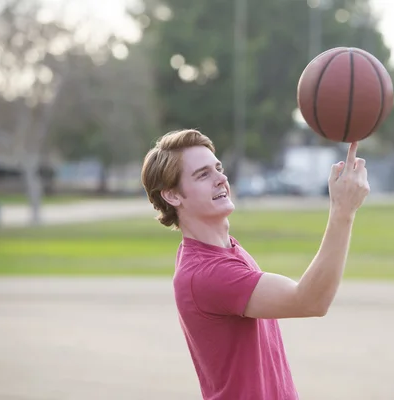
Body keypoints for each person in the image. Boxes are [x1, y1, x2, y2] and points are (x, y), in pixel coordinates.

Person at [140, 129, 370, 400]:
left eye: (218, 168)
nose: (222, 179)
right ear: (173, 196)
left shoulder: (225, 250)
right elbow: (310, 301)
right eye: (203, 174)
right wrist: (343, 211)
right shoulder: (206, 274)